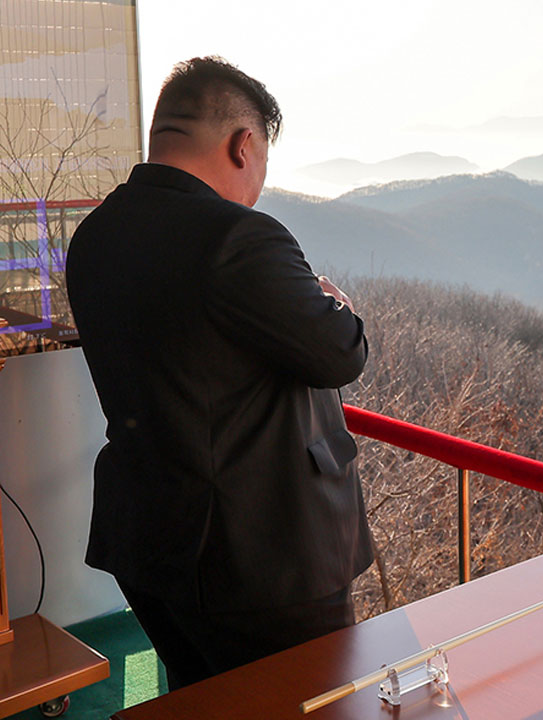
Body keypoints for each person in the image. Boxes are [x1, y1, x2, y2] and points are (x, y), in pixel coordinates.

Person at [65, 57, 373, 690]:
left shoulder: (96, 236)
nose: (258, 183)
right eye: (262, 163)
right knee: (306, 699)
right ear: (243, 145)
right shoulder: (240, 239)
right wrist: (334, 301)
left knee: (201, 692)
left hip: (152, 536)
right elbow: (341, 353)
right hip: (263, 554)